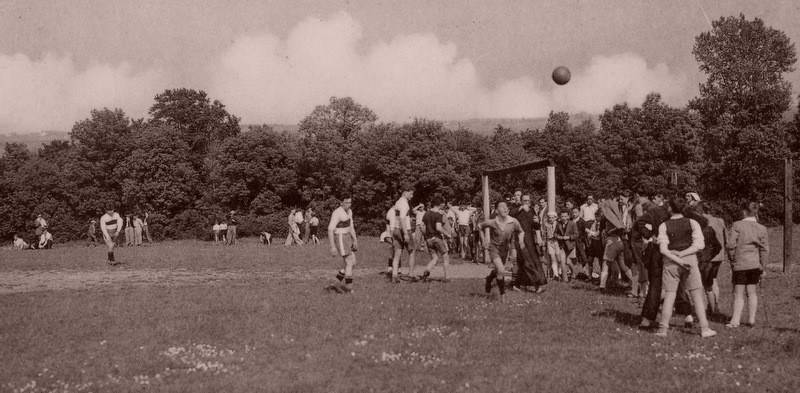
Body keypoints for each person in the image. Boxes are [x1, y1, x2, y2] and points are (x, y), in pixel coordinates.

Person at [654, 196, 716, 338]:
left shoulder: (664, 225)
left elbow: (663, 249)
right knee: (697, 296)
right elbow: (699, 245)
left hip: (670, 260)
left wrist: (677, 256)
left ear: (670, 208)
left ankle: (663, 329)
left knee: (669, 295)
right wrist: (683, 255)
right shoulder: (692, 222)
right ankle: (705, 328)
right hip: (690, 260)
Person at [726, 201, 769, 328]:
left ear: (744, 211)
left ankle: (735, 320)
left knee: (738, 293)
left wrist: (732, 258)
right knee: (752, 292)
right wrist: (763, 266)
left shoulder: (737, 225)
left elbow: (730, 245)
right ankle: (751, 319)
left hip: (740, 263)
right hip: (755, 264)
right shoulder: (762, 228)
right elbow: (765, 249)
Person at [478, 201, 526, 301]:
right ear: (496, 210)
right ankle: (502, 296)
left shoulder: (513, 221)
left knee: (498, 270)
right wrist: (483, 240)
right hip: (494, 248)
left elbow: (521, 231)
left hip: (505, 249)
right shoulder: (492, 222)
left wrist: (521, 241)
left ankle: (489, 278)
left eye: (506, 207)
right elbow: (479, 226)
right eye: (502, 207)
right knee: (501, 270)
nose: (505, 208)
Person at [509, 193, 547, 292]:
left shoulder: (532, 210)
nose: (526, 202)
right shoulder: (516, 210)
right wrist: (521, 208)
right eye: (524, 201)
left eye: (528, 201)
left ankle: (517, 285)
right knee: (527, 262)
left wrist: (537, 221)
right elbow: (510, 216)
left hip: (530, 239)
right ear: (521, 201)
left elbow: (536, 226)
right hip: (520, 240)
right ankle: (537, 285)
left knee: (531, 262)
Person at [325, 193, 359, 294]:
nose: (348, 204)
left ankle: (335, 283)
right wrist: (332, 246)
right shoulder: (337, 213)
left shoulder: (350, 212)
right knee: (349, 262)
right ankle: (349, 288)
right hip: (340, 238)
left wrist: (355, 240)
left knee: (353, 262)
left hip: (347, 236)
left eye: (350, 202)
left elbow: (351, 227)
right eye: (346, 202)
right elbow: (330, 229)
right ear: (341, 203)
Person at [703, 203, 728, 314]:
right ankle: (715, 305)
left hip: (708, 255)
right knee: (713, 279)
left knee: (706, 283)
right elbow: (726, 238)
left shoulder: (702, 221)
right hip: (720, 254)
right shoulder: (720, 220)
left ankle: (710, 307)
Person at [389, 183, 417, 282]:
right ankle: (411, 275)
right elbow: (402, 218)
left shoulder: (397, 202)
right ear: (405, 193)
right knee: (412, 251)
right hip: (403, 229)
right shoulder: (404, 204)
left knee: (397, 253)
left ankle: (394, 276)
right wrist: (405, 233)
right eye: (411, 194)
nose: (412, 196)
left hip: (396, 229)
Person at [419, 196, 451, 282]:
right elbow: (438, 228)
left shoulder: (426, 213)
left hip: (428, 239)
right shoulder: (438, 214)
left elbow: (421, 226)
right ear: (440, 204)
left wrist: (426, 236)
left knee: (434, 258)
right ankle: (447, 277)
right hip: (437, 238)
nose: (443, 205)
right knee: (445, 255)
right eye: (443, 203)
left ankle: (427, 270)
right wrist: (447, 234)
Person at [555, 211, 579, 282]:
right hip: (562, 245)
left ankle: (573, 274)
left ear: (568, 217)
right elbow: (555, 232)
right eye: (562, 216)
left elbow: (576, 234)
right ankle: (565, 279)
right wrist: (558, 236)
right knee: (562, 261)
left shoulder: (572, 224)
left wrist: (568, 237)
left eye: (565, 216)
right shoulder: (558, 223)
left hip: (570, 245)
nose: (563, 218)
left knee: (568, 262)